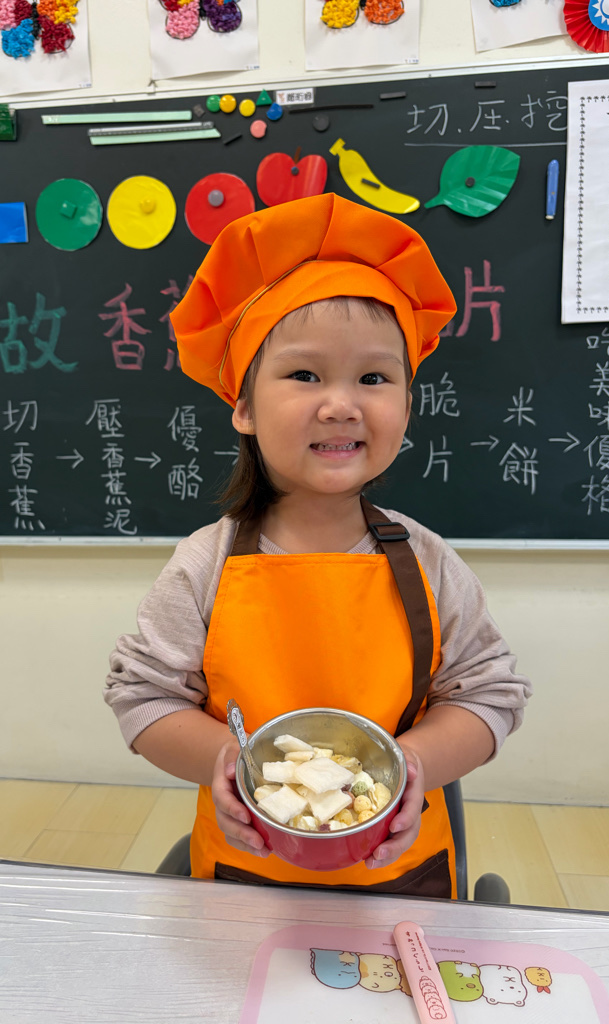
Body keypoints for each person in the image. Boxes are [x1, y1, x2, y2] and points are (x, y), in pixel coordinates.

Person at [104, 193, 531, 897]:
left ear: (407, 405)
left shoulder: (427, 560)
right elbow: (143, 697)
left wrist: (416, 764)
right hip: (244, 877)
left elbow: (490, 694)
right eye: (304, 375)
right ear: (244, 406)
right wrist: (223, 763)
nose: (341, 405)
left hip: (403, 877)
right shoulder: (205, 565)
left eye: (374, 378)